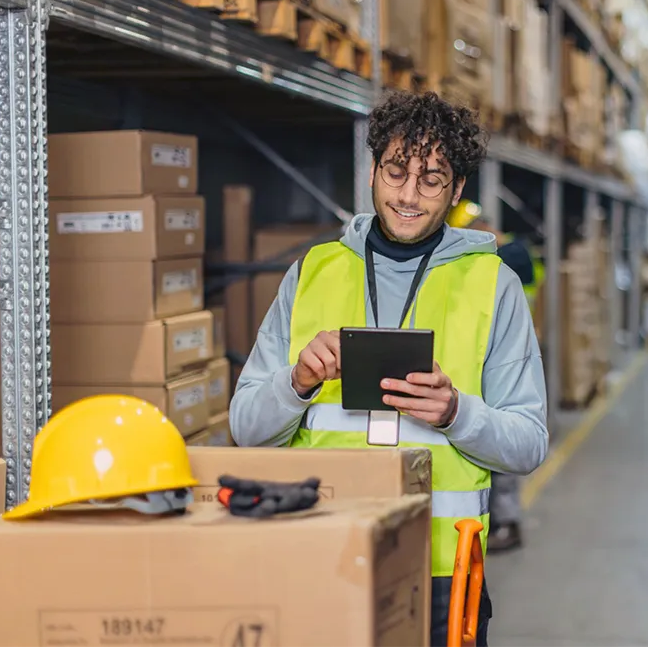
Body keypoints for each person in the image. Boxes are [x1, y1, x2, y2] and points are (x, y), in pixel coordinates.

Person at [229, 90, 549, 647]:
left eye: (431, 180)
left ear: (457, 189)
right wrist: (296, 383)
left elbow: (528, 445)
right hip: (322, 556)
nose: (407, 195)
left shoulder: (492, 285)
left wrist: (456, 413)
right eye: (396, 172)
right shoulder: (312, 273)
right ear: (374, 170)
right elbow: (245, 429)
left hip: (444, 569)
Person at [446, 199, 545, 552]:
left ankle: (509, 522)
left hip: (509, 351)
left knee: (502, 443)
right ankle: (497, 520)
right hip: (492, 350)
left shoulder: (511, 255)